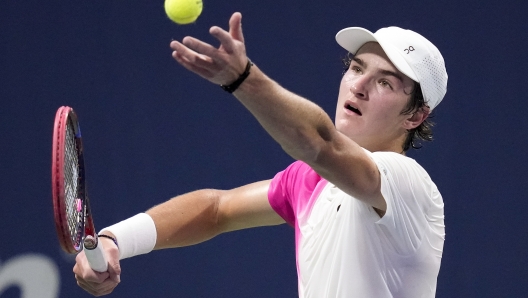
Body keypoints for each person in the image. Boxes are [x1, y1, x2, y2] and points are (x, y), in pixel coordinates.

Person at [73, 12, 447, 297]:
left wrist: (243, 79)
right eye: (356, 68)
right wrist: (114, 240)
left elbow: (320, 143)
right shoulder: (309, 181)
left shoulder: (407, 184)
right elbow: (216, 210)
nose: (359, 86)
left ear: (415, 116)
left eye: (385, 82)